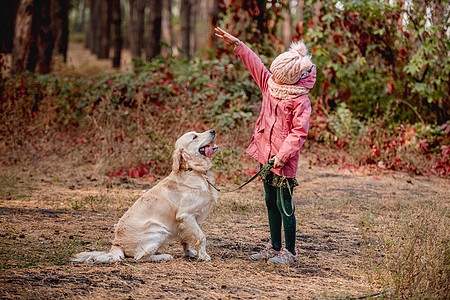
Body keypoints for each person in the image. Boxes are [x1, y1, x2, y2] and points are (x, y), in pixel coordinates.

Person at [215, 27, 316, 265]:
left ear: (290, 78)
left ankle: (290, 253)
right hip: (265, 154)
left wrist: (282, 156)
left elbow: (299, 132)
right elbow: (255, 64)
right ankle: (274, 246)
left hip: (284, 160)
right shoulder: (271, 84)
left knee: (284, 204)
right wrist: (238, 44)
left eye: (277, 77)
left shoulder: (300, 99)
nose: (272, 79)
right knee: (270, 201)